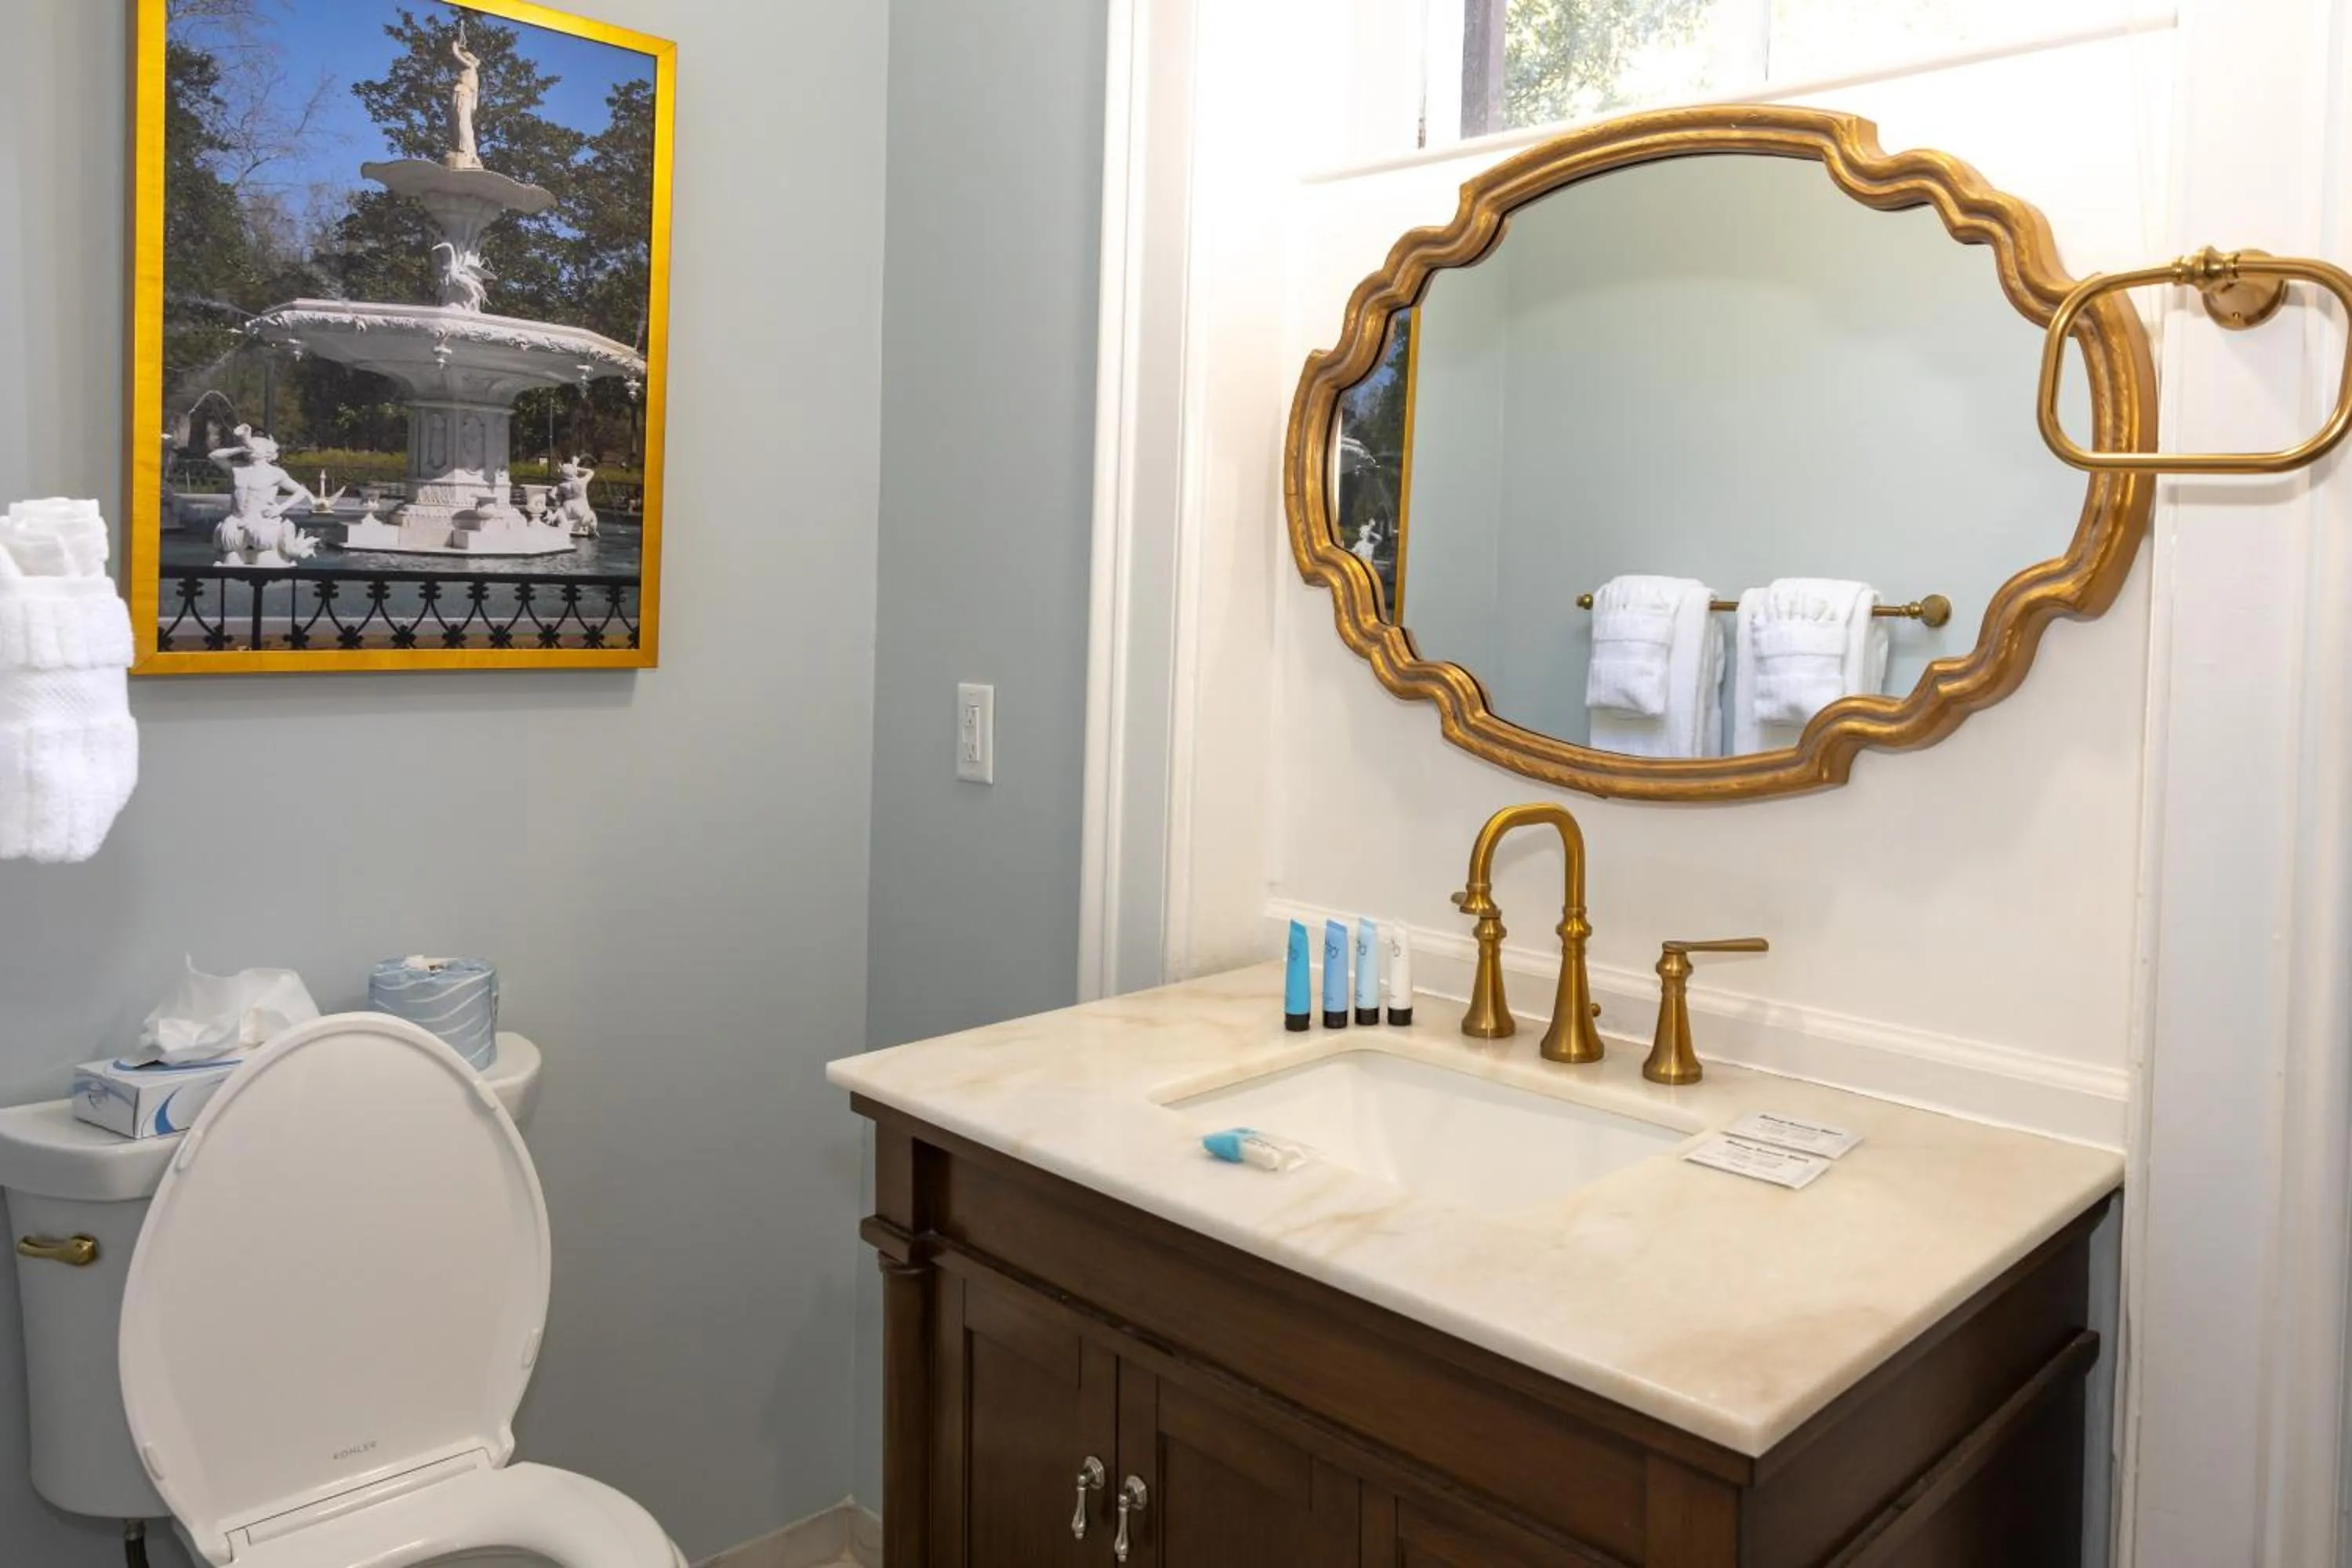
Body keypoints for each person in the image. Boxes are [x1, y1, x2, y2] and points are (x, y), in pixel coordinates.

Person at [208, 426, 318, 568]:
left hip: (262, 524)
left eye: (257, 445)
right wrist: (240, 448)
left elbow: (301, 492)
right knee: (231, 559)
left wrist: (280, 509)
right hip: (236, 522)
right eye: (251, 443)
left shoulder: (275, 473)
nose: (252, 447)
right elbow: (213, 456)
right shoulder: (236, 469)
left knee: (265, 560)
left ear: (268, 452)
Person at [450, 25, 482, 167]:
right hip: (462, 94)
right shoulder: (472, 74)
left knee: (462, 122)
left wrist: (455, 45)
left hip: (463, 94)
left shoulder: (470, 67)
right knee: (455, 122)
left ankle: (466, 150)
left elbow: (457, 55)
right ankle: (461, 148)